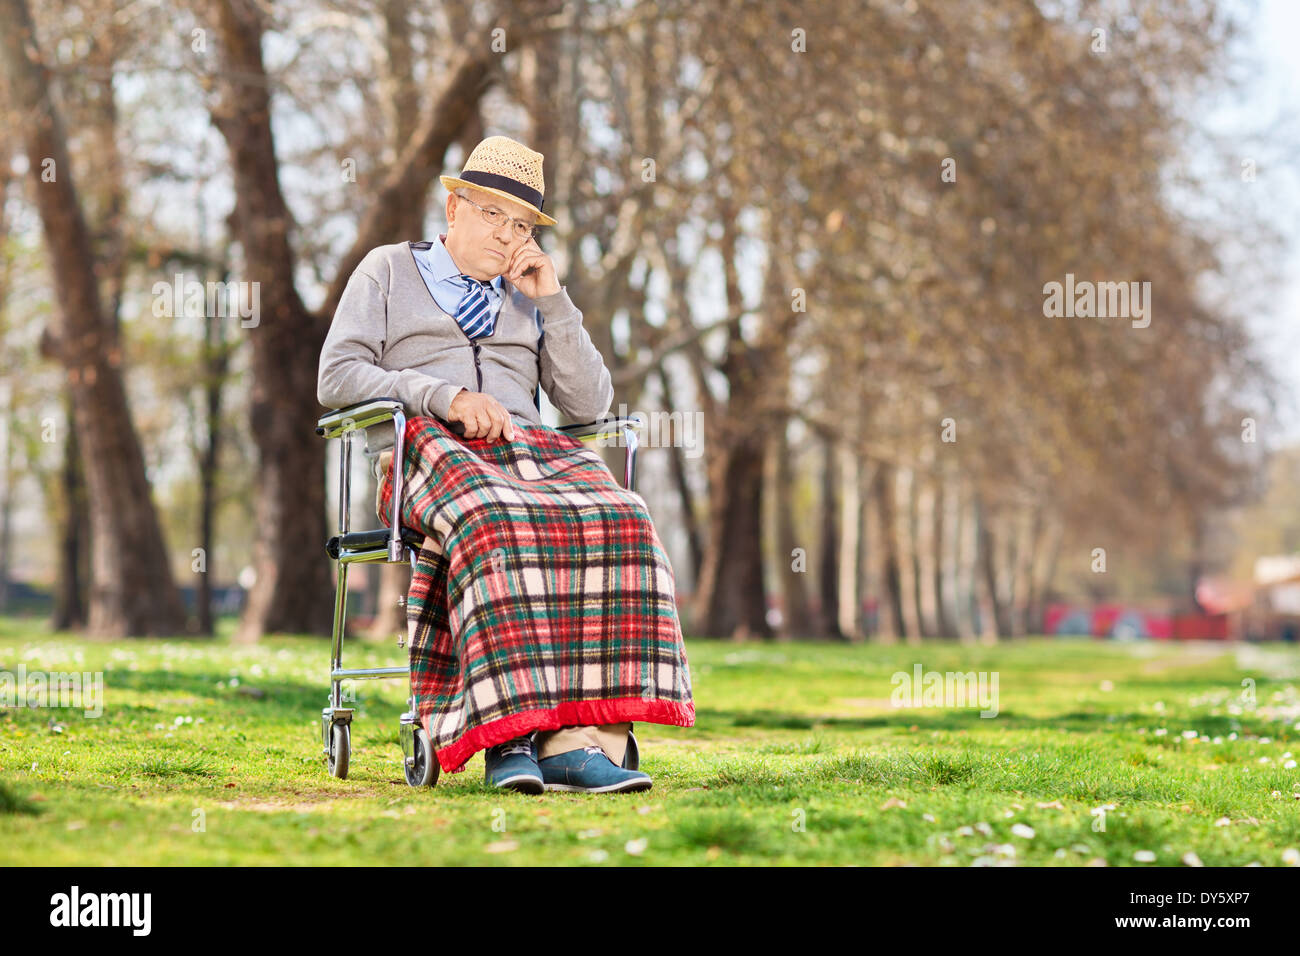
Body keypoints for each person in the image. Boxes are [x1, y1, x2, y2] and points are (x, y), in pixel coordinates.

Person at [317, 136, 694, 793]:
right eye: (494, 214)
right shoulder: (387, 271)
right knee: (493, 517)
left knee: (622, 514)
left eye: (521, 224)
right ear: (454, 206)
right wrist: (443, 396)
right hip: (423, 449)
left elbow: (588, 402)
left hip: (528, 451)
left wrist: (553, 300)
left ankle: (580, 741)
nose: (508, 234)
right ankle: (508, 732)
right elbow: (337, 375)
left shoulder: (528, 296)